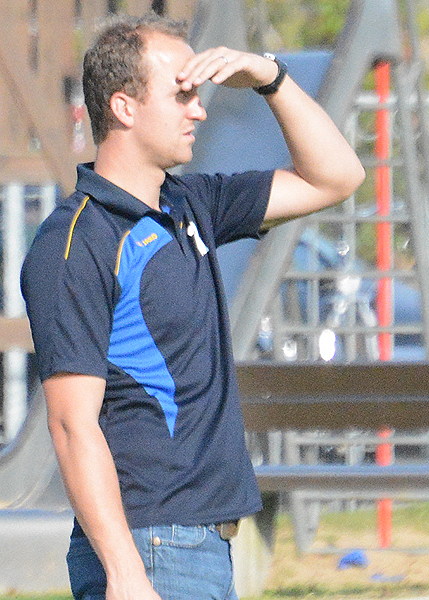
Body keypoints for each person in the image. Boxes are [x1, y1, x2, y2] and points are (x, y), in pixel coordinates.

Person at [20, 14, 364, 600]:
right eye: (182, 95)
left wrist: (270, 78)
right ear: (124, 107)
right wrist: (126, 573)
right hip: (150, 549)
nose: (199, 111)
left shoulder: (191, 204)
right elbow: (72, 424)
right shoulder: (77, 243)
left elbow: (336, 177)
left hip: (201, 547)